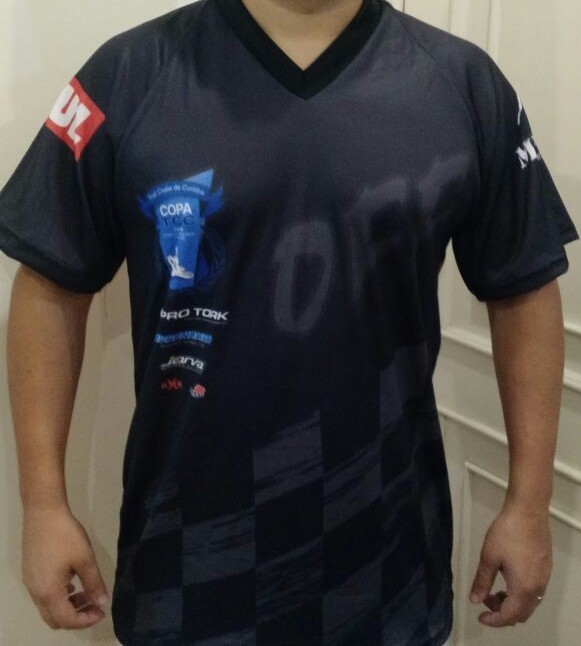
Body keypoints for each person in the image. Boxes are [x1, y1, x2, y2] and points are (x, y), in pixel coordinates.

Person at [0, 0, 577, 644]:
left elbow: (524, 289)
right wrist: (43, 505)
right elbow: (50, 284)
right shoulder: (129, 74)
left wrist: (529, 504)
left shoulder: (462, 83)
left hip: (386, 565)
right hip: (187, 569)